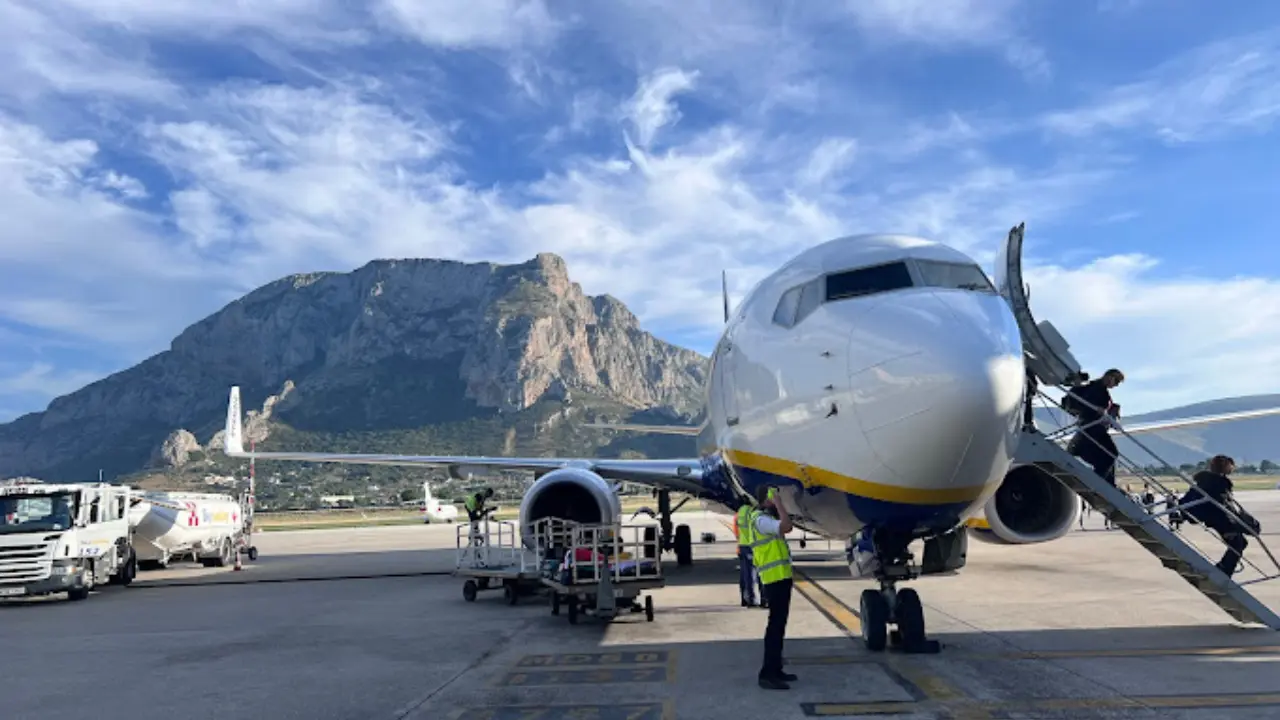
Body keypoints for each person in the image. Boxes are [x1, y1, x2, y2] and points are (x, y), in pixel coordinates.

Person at [748, 485, 797, 690]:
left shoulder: (764, 518)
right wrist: (779, 503)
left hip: (781, 578)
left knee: (779, 627)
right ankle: (768, 674)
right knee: (775, 628)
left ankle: (775, 669)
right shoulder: (760, 520)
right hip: (774, 579)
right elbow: (787, 526)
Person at [1181, 455, 1261, 577]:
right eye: (1231, 466)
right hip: (1219, 519)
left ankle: (1224, 568)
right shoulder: (1218, 483)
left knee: (1240, 542)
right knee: (1238, 543)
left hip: (1213, 517)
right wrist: (1239, 522)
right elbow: (1224, 506)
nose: (1233, 469)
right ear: (1225, 467)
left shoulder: (1204, 481)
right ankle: (1224, 571)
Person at [1066, 369, 1125, 485]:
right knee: (1111, 454)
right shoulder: (1096, 389)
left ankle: (1107, 483)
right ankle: (1099, 482)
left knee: (1107, 456)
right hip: (1092, 429)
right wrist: (1098, 409)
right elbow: (1086, 405)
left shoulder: (1098, 389)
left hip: (1091, 428)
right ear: (1109, 376)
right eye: (1116, 381)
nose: (1116, 385)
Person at [734, 501, 765, 608]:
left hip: (742, 545)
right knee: (759, 574)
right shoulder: (753, 512)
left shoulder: (741, 510)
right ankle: (762, 599)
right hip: (753, 546)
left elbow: (736, 527)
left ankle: (745, 599)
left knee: (745, 574)